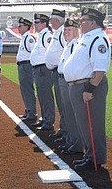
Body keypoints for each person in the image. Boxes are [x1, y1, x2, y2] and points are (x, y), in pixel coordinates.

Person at [63, 7, 111, 171]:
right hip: (79, 85)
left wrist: (90, 89)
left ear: (92, 23)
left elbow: (100, 69)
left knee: (93, 125)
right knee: (83, 124)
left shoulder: (98, 39)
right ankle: (89, 156)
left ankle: (95, 160)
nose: (80, 24)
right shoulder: (87, 38)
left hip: (89, 86)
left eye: (83, 21)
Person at [57, 18, 83, 155]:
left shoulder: (74, 45)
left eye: (69, 30)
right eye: (65, 30)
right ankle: (70, 140)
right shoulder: (68, 45)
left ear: (76, 31)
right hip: (63, 81)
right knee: (67, 113)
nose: (66, 32)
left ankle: (76, 143)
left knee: (71, 114)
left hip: (68, 82)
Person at [30, 13, 55, 131]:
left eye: (37, 22)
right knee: (41, 95)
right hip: (38, 69)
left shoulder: (47, 36)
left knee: (46, 95)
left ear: (44, 23)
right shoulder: (41, 35)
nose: (35, 24)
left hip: (44, 69)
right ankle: (45, 118)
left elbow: (50, 53)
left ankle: (48, 121)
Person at [45, 9, 67, 141]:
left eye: (51, 20)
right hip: (55, 71)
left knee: (63, 104)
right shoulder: (57, 32)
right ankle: (64, 129)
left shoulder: (63, 32)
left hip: (60, 72)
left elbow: (67, 51)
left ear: (57, 21)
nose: (50, 22)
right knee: (60, 103)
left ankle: (66, 132)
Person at [16, 17, 37, 121]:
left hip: (27, 65)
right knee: (24, 89)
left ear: (26, 27)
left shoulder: (29, 38)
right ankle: (28, 109)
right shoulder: (24, 37)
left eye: (20, 26)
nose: (18, 28)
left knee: (28, 89)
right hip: (22, 65)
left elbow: (34, 53)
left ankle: (31, 112)